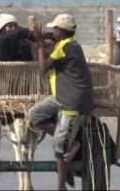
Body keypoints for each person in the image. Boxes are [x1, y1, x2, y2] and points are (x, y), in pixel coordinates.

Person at [28, 13, 94, 190]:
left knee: (59, 146)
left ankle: (60, 187)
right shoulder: (70, 45)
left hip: (72, 103)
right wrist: (43, 44)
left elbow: (43, 68)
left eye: (54, 29)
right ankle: (73, 143)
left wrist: (39, 46)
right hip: (60, 97)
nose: (52, 31)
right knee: (34, 114)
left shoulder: (65, 47)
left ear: (59, 31)